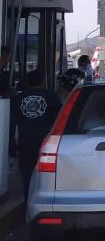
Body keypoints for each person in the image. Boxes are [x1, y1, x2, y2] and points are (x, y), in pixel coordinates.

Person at [10, 70, 62, 201]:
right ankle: (44, 200)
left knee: (27, 175)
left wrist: (11, 147)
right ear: (43, 81)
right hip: (47, 143)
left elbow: (12, 124)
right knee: (46, 175)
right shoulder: (51, 96)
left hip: (25, 142)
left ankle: (28, 202)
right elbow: (60, 118)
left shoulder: (17, 99)